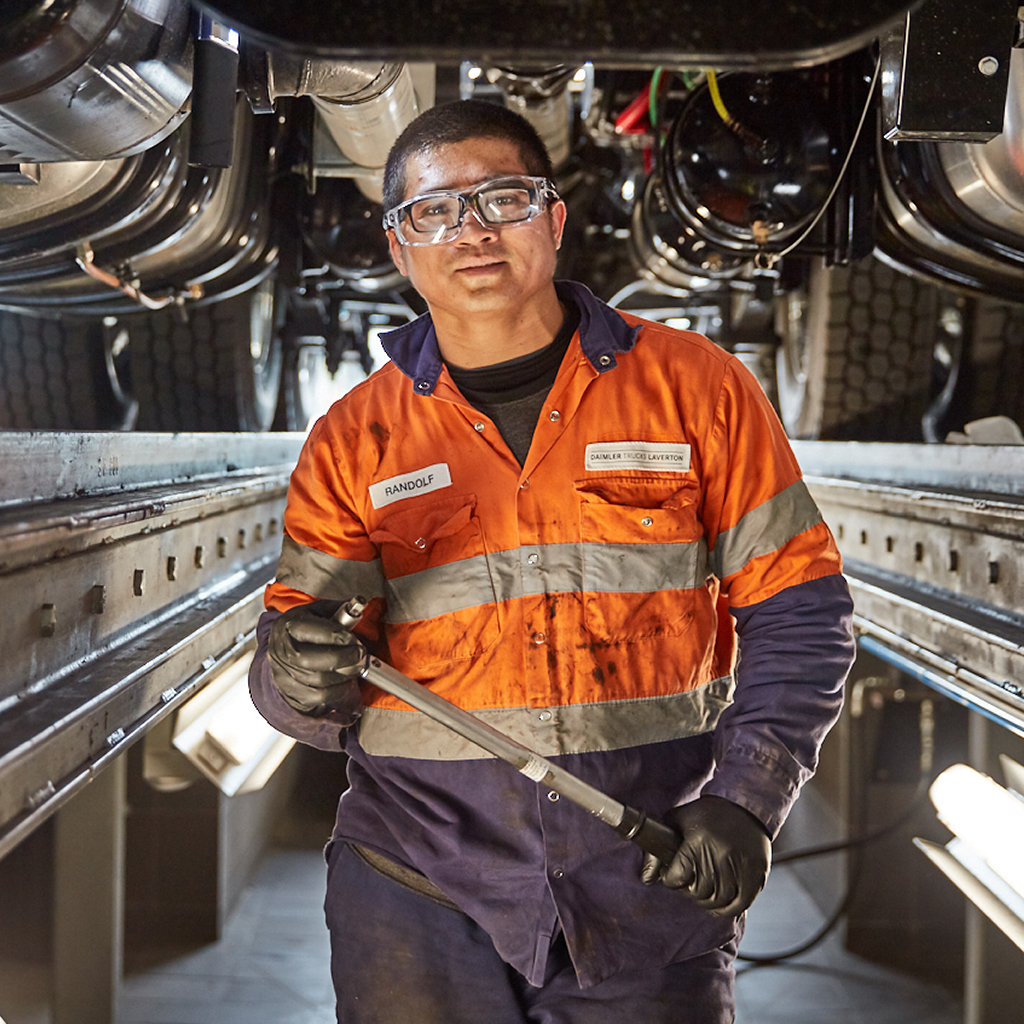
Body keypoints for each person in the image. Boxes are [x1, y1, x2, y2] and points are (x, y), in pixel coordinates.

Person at [249, 98, 855, 1023]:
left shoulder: (700, 389)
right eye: (436, 211)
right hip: (415, 880)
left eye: (504, 199)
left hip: (646, 875)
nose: (473, 230)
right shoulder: (355, 438)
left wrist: (748, 798)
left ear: (556, 218)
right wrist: (293, 670)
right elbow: (295, 671)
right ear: (398, 248)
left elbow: (801, 613)